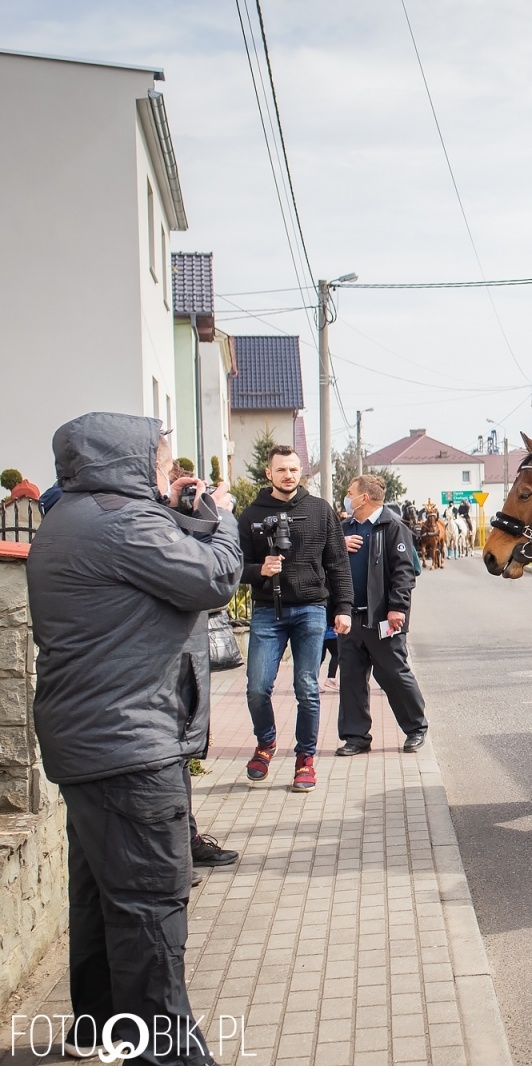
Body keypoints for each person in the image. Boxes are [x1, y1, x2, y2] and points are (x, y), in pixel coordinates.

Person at [28, 412, 241, 1064]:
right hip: (131, 749)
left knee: (98, 899)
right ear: (126, 460)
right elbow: (214, 579)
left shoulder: (70, 518)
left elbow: (162, 565)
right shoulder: (126, 524)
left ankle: (95, 1030)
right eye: (161, 460)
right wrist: (222, 514)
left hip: (87, 745)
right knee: (149, 912)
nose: (167, 472)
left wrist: (185, 511)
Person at [238, 446, 352, 792]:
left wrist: (343, 608)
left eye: (294, 469)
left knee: (306, 688)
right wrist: (260, 569)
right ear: (268, 474)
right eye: (281, 470)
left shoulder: (320, 510)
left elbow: (337, 563)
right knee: (257, 688)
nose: (289, 475)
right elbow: (233, 566)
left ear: (301, 472)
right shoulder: (251, 514)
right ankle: (266, 743)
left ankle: (305, 760)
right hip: (266, 612)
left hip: (311, 609)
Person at [336, 474, 429, 754]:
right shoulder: (343, 529)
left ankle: (416, 728)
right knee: (351, 678)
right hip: (350, 618)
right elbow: (327, 561)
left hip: (383, 620)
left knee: (393, 674)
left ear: (364, 497)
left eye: (350, 492)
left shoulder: (393, 527)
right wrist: (339, 546)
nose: (347, 496)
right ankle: (356, 737)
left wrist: (397, 607)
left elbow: (404, 572)